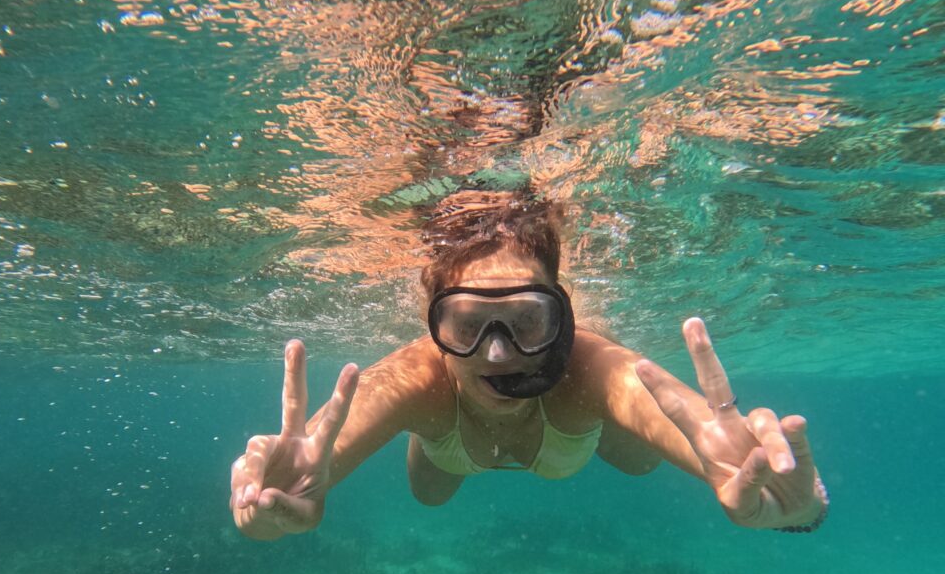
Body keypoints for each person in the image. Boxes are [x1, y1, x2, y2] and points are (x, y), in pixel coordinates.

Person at [230, 189, 828, 541]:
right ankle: (438, 437)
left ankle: (582, 427)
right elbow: (324, 451)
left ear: (561, 316)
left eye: (526, 321)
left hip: (568, 432)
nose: (497, 353)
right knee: (430, 495)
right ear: (433, 326)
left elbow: (666, 410)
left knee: (642, 460)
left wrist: (785, 499)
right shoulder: (420, 377)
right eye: (467, 324)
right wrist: (279, 496)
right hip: (453, 442)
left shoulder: (585, 367)